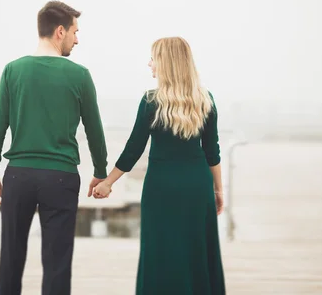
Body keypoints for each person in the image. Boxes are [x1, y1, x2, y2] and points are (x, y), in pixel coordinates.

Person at [0, 0, 109, 295]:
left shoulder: (13, 71)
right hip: (61, 177)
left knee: (11, 257)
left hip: (19, 176)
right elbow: (94, 130)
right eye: (75, 32)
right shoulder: (79, 75)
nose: (78, 39)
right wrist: (101, 171)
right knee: (57, 262)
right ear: (60, 31)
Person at [94, 36, 226, 294]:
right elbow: (212, 151)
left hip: (161, 187)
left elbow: (134, 148)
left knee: (160, 249)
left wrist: (108, 182)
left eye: (153, 59)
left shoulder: (151, 101)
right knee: (196, 249)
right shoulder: (205, 99)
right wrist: (218, 191)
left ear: (166, 63)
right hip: (197, 186)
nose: (149, 64)